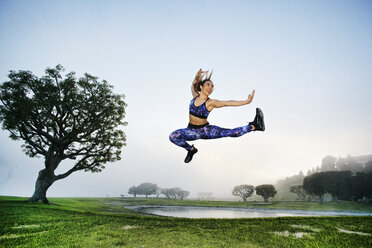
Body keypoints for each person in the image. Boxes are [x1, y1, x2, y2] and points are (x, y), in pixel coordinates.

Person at [169, 69, 265, 163]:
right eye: (208, 85)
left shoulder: (211, 102)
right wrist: (197, 75)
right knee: (173, 136)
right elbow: (193, 86)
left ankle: (254, 126)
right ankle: (191, 150)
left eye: (212, 86)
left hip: (205, 131)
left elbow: (228, 103)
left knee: (230, 132)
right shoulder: (195, 96)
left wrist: (246, 101)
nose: (210, 88)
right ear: (201, 86)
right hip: (190, 130)